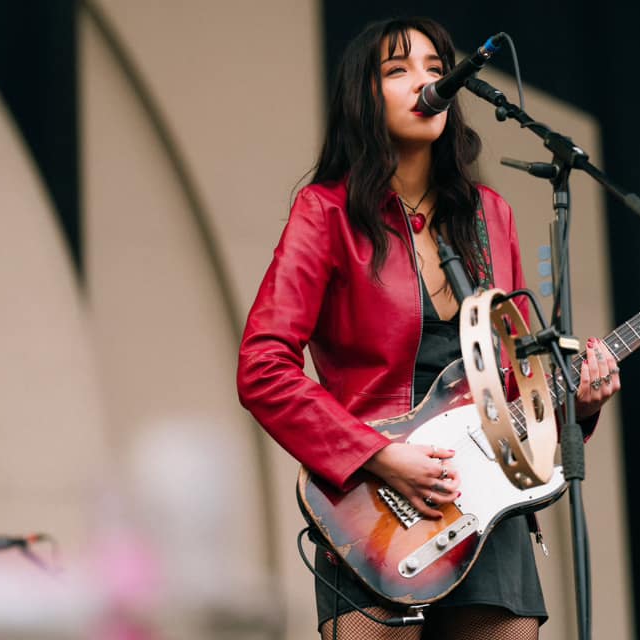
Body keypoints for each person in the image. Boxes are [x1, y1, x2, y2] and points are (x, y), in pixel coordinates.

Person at [237, 16, 620, 640]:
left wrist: (577, 406)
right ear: (363, 96)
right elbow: (262, 368)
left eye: (437, 69)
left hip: (488, 497)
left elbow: (518, 381)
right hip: (373, 506)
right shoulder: (326, 212)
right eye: (399, 69)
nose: (425, 82)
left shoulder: (490, 216)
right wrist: (381, 455)